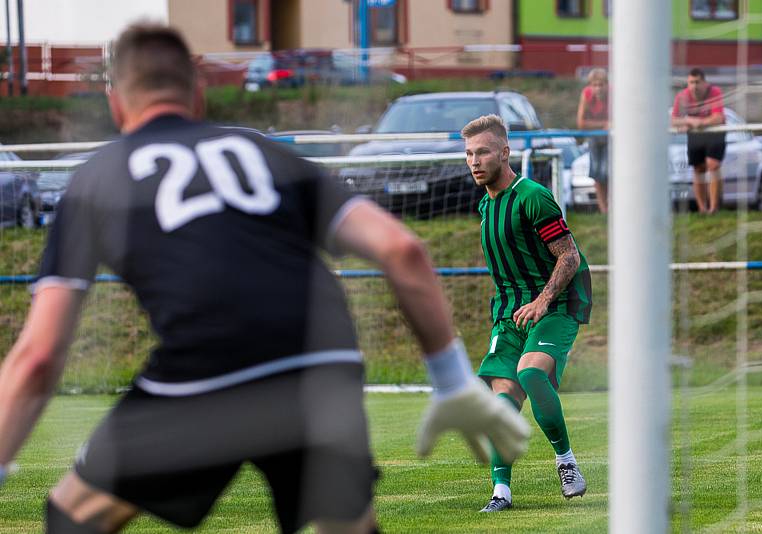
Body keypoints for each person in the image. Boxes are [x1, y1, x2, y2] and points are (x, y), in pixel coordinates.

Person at [0, 24, 530, 534]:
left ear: (117, 103)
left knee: (75, 513)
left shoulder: (99, 177)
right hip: (321, 359)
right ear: (199, 95)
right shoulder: (268, 155)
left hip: (210, 368)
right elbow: (402, 249)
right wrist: (453, 383)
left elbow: (40, 355)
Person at [461, 115, 592, 512]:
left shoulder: (532, 195)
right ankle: (501, 493)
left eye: (482, 151)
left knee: (531, 372)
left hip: (555, 303)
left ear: (505, 152)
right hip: (510, 313)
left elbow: (569, 256)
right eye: (468, 154)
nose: (474, 161)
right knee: (502, 403)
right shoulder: (485, 205)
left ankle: (566, 463)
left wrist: (542, 300)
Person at [671, 68, 726, 214]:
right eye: (691, 82)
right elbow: (674, 120)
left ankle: (714, 208)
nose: (694, 86)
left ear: (704, 83)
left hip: (715, 133)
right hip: (696, 135)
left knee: (713, 165)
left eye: (697, 82)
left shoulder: (715, 92)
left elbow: (718, 118)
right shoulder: (682, 97)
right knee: (698, 168)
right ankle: (702, 209)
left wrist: (699, 122)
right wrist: (688, 121)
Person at [576, 68, 610, 214]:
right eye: (595, 85)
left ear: (607, 85)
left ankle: (612, 207)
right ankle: (604, 210)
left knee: (608, 171)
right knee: (597, 173)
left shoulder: (614, 95)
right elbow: (581, 123)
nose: (598, 88)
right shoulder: (587, 94)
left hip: (611, 137)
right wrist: (604, 124)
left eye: (601, 85)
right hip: (594, 136)